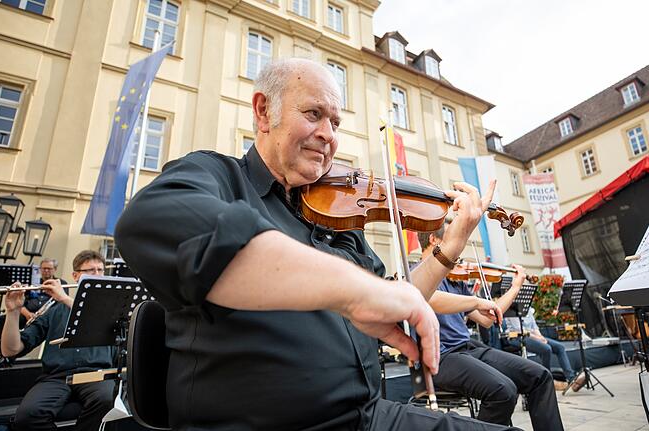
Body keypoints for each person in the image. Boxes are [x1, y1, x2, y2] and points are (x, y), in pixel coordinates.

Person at [114, 58, 518, 430]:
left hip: (368, 416)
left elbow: (395, 301)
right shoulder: (217, 176)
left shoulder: (340, 214)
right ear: (263, 111)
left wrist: (451, 243)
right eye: (313, 114)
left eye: (336, 123)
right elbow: (150, 221)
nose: (328, 135)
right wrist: (354, 290)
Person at [417, 225, 564, 429]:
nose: (459, 247)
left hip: (470, 348)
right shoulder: (415, 275)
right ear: (434, 240)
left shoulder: (455, 278)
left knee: (540, 376)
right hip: (440, 358)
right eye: (454, 238)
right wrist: (475, 301)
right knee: (504, 391)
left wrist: (515, 288)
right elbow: (429, 298)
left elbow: (488, 319)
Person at [1, 250, 115, 431]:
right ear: (76, 276)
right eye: (91, 271)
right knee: (26, 416)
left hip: (97, 375)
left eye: (100, 270)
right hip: (56, 377)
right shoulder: (54, 310)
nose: (98, 275)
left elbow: (98, 319)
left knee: (108, 399)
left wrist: (64, 297)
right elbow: (11, 350)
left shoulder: (112, 308)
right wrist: (13, 312)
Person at [503, 307, 586, 391]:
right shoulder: (512, 310)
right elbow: (520, 329)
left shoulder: (528, 309)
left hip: (533, 336)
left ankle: (571, 378)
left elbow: (534, 327)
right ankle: (547, 380)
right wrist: (538, 339)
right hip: (516, 337)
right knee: (546, 349)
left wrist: (541, 337)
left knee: (559, 347)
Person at [18, 258, 68, 328]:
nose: (46, 271)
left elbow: (62, 305)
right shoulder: (32, 282)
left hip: (49, 316)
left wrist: (45, 315)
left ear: (55, 269)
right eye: (44, 268)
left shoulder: (61, 283)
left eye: (49, 269)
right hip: (28, 314)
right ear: (40, 269)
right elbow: (21, 302)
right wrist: (27, 314)